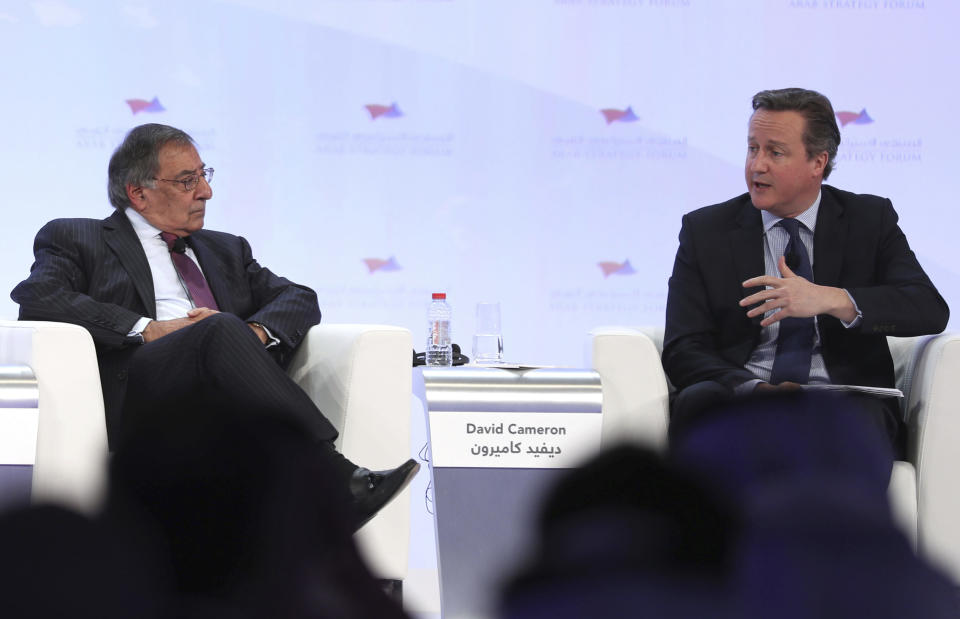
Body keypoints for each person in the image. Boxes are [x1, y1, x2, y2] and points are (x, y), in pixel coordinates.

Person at [10, 123, 418, 528]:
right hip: (141, 390)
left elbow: (298, 297)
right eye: (188, 181)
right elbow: (39, 294)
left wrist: (253, 334)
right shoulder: (78, 237)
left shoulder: (226, 248)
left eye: (204, 175)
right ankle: (334, 479)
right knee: (218, 328)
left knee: (222, 330)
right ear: (139, 193)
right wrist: (148, 328)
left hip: (224, 394)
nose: (205, 192)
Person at [662, 87, 949, 451]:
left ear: (818, 162)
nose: (757, 165)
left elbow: (928, 308)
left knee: (864, 421)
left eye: (775, 152)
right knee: (697, 403)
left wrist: (833, 299)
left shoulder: (868, 221)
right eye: (753, 148)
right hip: (741, 397)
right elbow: (682, 347)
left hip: (840, 401)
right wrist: (757, 390)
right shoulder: (706, 231)